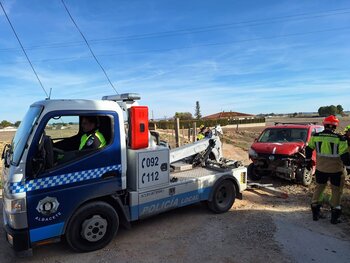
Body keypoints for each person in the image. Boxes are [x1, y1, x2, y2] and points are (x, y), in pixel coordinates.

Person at [305, 115, 350, 224]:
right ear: (335, 126)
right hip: (336, 170)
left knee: (319, 188)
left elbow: (308, 148)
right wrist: (348, 167)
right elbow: (344, 156)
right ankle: (334, 218)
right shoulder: (340, 138)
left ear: (324, 124)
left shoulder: (316, 136)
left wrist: (308, 161)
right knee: (336, 191)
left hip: (321, 169)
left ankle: (315, 213)